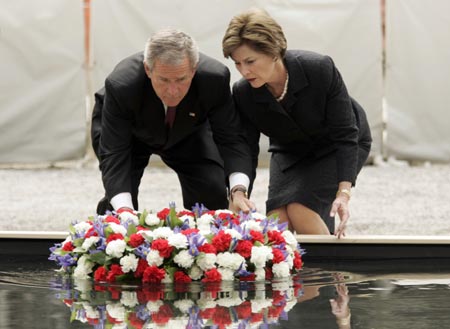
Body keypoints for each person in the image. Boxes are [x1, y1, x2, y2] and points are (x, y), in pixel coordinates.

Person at [222, 9, 372, 238]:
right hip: (289, 150)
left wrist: (343, 193)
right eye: (238, 63)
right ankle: (287, 274)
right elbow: (244, 146)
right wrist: (239, 192)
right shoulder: (243, 93)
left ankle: (331, 272)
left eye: (250, 61)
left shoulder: (319, 68)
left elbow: (345, 134)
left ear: (273, 51)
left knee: (300, 210)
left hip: (338, 142)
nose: (244, 71)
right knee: (276, 221)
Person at [91, 28, 255, 215]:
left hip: (186, 130)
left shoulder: (214, 79)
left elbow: (231, 138)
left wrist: (238, 191)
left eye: (181, 79)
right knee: (118, 202)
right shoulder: (121, 85)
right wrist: (124, 209)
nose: (172, 90)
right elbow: (114, 153)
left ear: (194, 70)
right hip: (129, 132)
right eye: (163, 80)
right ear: (148, 69)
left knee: (212, 191)